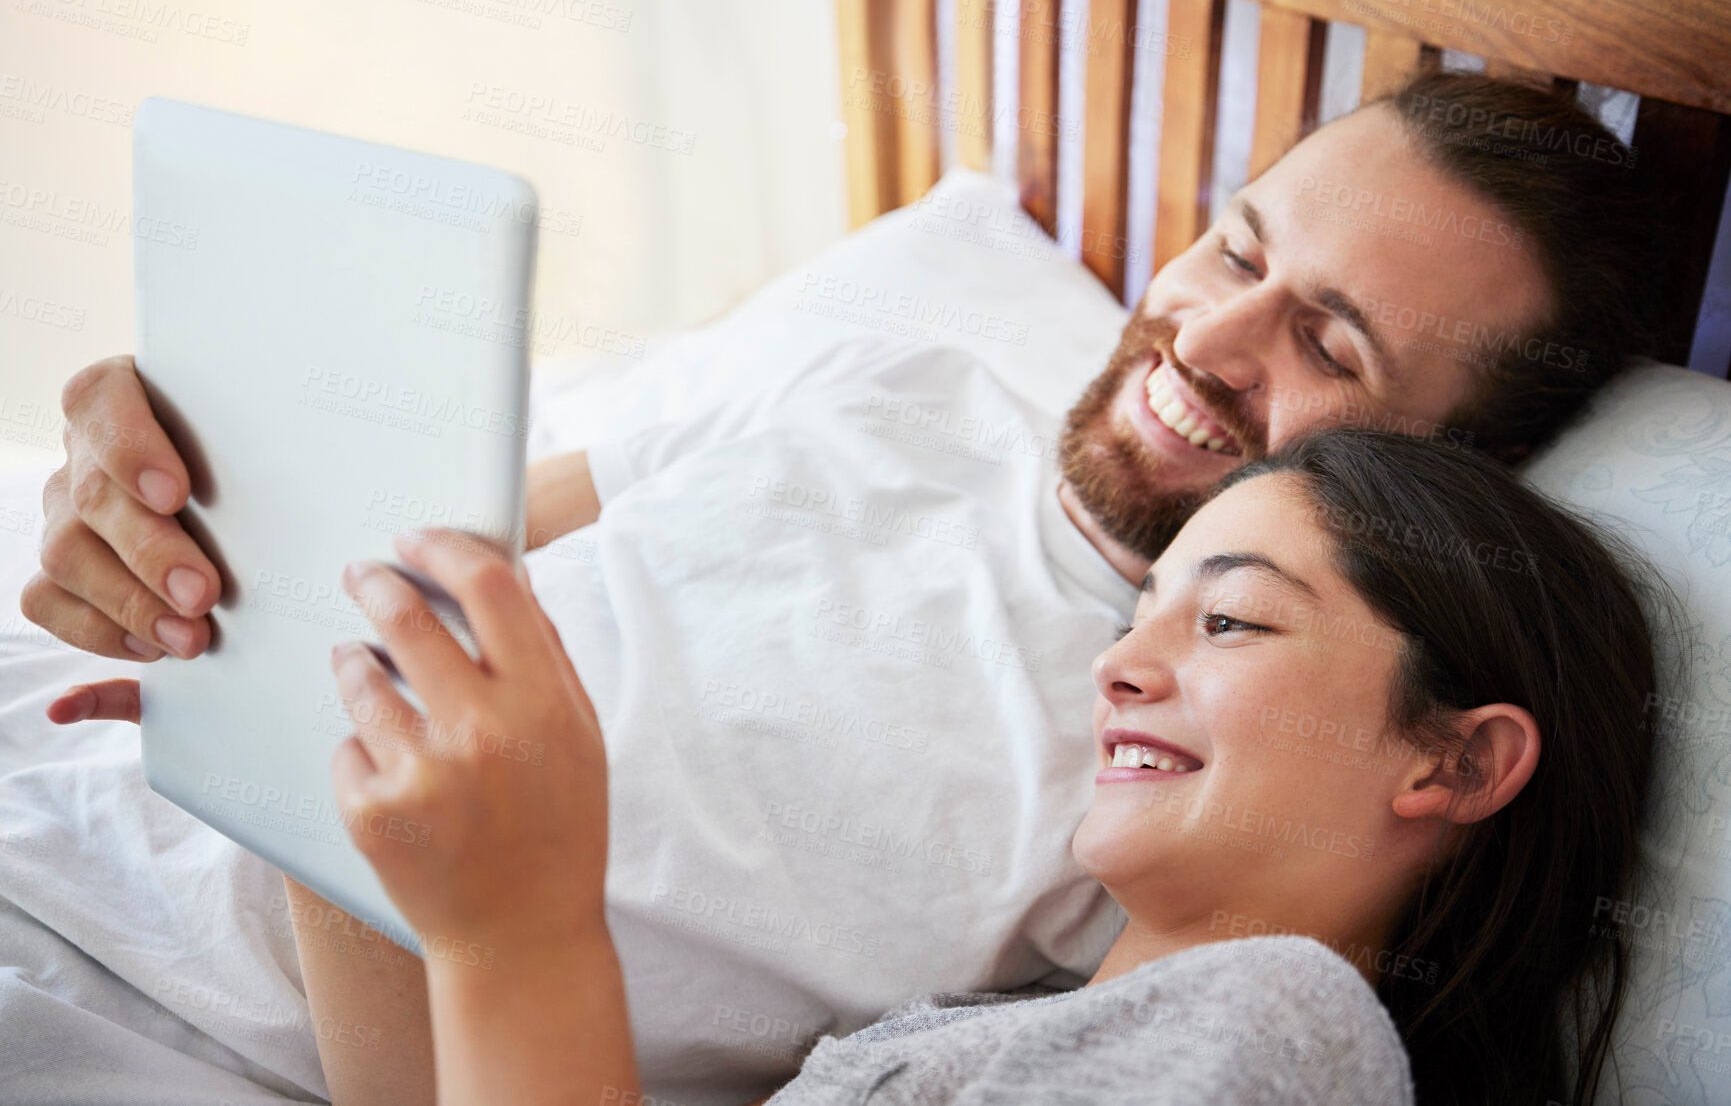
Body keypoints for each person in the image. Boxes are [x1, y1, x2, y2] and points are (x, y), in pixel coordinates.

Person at [21, 71, 1665, 1101]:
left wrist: (322, 753)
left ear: (1441, 471)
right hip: (77, 777)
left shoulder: (1172, 809)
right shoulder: (877, 383)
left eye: (1331, 343)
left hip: (168, 1000)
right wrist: (166, 480)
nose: (1210, 341)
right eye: (1239, 252)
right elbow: (370, 535)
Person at [306, 429, 1661, 1105]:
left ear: (1461, 758)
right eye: (1141, 615)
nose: (1118, 670)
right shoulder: (1002, 1021)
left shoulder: (1282, 1032)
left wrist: (522, 937)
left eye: (1231, 619)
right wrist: (323, 799)